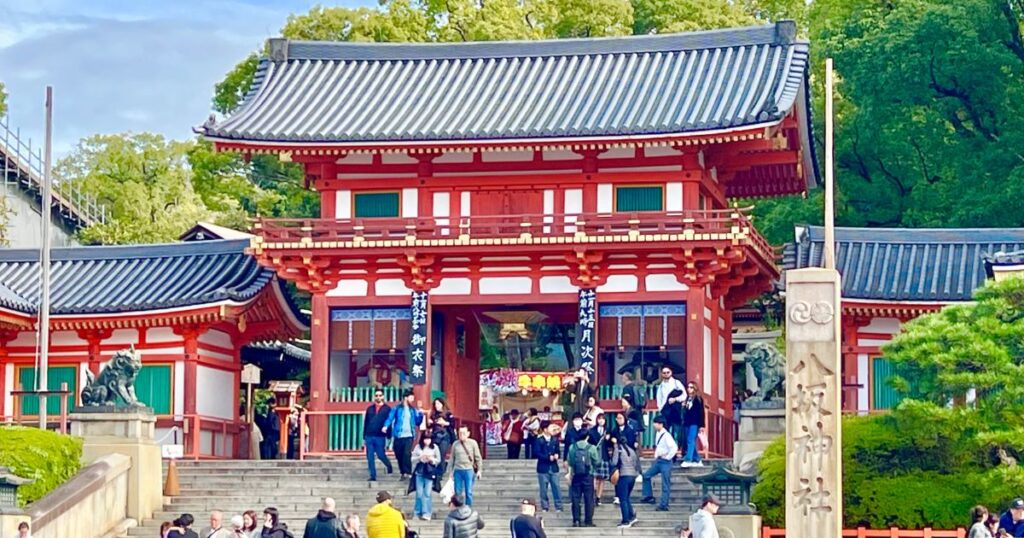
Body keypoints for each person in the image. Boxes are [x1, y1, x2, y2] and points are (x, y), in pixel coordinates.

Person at [640, 416, 678, 511]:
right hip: (659, 460)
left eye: (655, 423)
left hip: (665, 462)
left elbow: (674, 447)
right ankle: (648, 496)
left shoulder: (666, 435)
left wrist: (668, 457)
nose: (654, 425)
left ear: (661, 424)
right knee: (646, 475)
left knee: (665, 483)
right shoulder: (658, 433)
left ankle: (664, 504)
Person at [384, 390, 424, 480]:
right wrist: (386, 426)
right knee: (399, 454)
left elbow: (417, 422)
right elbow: (390, 418)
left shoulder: (413, 410)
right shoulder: (397, 408)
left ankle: (408, 472)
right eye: (411, 398)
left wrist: (421, 414)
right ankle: (403, 472)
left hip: (409, 435)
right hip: (398, 435)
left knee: (407, 454)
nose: (412, 400)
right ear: (406, 398)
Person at [566, 427, 599, 527]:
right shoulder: (591, 448)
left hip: (576, 475)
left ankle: (576, 520)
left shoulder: (572, 447)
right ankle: (588, 520)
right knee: (589, 499)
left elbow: (570, 462)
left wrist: (570, 474)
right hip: (588, 476)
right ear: (587, 437)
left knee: (576, 498)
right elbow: (596, 461)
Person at [611, 432, 641, 528]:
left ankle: (625, 520)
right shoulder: (631, 450)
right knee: (626, 497)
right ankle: (631, 516)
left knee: (622, 499)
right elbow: (636, 463)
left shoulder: (618, 449)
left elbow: (614, 462)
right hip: (632, 476)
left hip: (623, 475)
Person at [364, 389, 394, 482]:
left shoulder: (387, 409)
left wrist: (389, 435)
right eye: (376, 395)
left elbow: (389, 422)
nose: (378, 397)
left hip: (380, 436)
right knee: (370, 456)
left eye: (380, 395)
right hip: (369, 435)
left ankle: (388, 465)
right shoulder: (370, 409)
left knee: (381, 455)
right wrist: (364, 436)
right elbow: (366, 422)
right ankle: (372, 475)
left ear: (383, 396)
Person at [656, 367, 686, 456]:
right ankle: (667, 450)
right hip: (665, 411)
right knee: (666, 431)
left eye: (667, 372)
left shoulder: (676, 383)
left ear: (671, 372)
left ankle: (678, 449)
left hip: (675, 410)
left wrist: (675, 399)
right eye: (664, 373)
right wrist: (661, 408)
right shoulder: (661, 386)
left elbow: (684, 395)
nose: (666, 374)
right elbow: (659, 398)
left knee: (677, 431)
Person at [534, 421, 563, 512]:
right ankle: (545, 506)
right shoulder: (539, 440)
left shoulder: (555, 440)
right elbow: (537, 453)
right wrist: (547, 457)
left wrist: (557, 455)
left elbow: (558, 450)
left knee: (556, 487)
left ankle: (558, 506)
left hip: (554, 467)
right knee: (543, 489)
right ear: (545, 429)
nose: (553, 429)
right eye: (551, 428)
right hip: (543, 468)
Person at [411, 433, 441, 520]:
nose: (427, 441)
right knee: (419, 493)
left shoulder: (434, 447)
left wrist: (432, 459)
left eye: (429, 439)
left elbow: (438, 460)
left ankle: (427, 513)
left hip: (429, 471)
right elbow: (412, 459)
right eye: (425, 439)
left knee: (427, 493)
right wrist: (420, 457)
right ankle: (417, 512)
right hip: (420, 471)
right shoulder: (418, 447)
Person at [452, 424, 483, 506]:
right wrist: (450, 472)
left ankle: (468, 508)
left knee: (468, 491)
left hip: (469, 470)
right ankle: (458, 508)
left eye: (464, 433)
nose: (461, 435)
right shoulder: (455, 444)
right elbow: (452, 459)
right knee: (457, 492)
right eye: (460, 433)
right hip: (458, 470)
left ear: (468, 433)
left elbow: (478, 457)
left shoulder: (473, 443)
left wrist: (479, 470)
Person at [587, 413, 611, 505]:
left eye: (603, 419)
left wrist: (608, 439)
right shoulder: (591, 431)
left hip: (604, 456)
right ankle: (592, 495)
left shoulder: (608, 431)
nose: (601, 420)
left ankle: (598, 497)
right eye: (599, 419)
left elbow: (611, 445)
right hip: (594, 456)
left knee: (602, 479)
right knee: (593, 477)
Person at [681, 381, 706, 468]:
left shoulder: (698, 399)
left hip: (695, 422)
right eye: (688, 387)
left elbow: (701, 413)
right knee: (690, 440)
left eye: (691, 387)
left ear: (695, 388)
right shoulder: (687, 398)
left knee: (690, 439)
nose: (689, 389)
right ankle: (697, 459)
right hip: (687, 422)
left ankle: (688, 459)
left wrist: (702, 425)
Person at [429, 398, 456, 463]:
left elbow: (453, 424)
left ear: (442, 404)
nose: (436, 405)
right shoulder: (434, 414)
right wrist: (430, 423)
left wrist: (445, 423)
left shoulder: (448, 414)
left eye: (438, 404)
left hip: (445, 436)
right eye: (435, 404)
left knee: (441, 454)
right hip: (435, 436)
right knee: (435, 454)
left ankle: (441, 468)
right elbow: (430, 426)